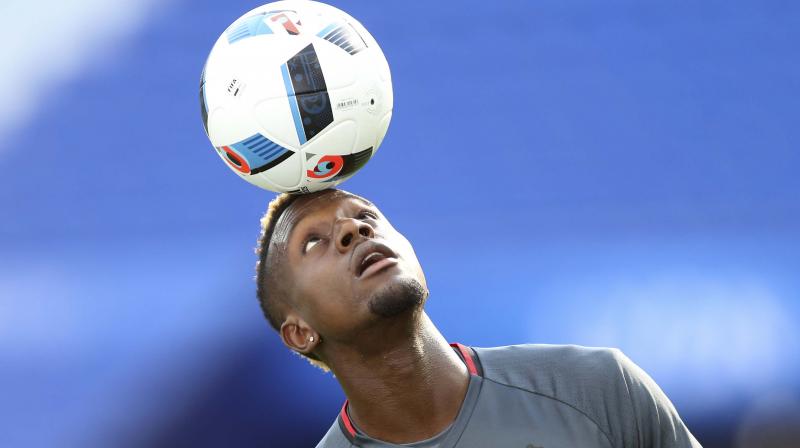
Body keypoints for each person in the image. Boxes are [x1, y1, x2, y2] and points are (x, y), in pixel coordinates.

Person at [255, 188, 701, 448]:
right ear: (299, 332)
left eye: (366, 215)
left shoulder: (598, 388)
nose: (355, 230)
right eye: (313, 242)